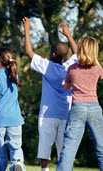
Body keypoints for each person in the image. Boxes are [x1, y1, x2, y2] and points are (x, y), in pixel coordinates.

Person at [22, 17, 77, 171]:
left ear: (53, 54)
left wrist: (26, 30)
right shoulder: (71, 67)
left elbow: (29, 52)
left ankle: (44, 170)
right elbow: (77, 53)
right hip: (65, 114)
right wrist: (68, 34)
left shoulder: (47, 67)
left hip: (47, 115)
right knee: (63, 149)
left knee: (45, 146)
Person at [57, 36, 103, 171]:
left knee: (69, 147)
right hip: (95, 107)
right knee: (101, 146)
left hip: (77, 108)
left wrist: (68, 83)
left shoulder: (72, 69)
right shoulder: (97, 69)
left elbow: (65, 86)